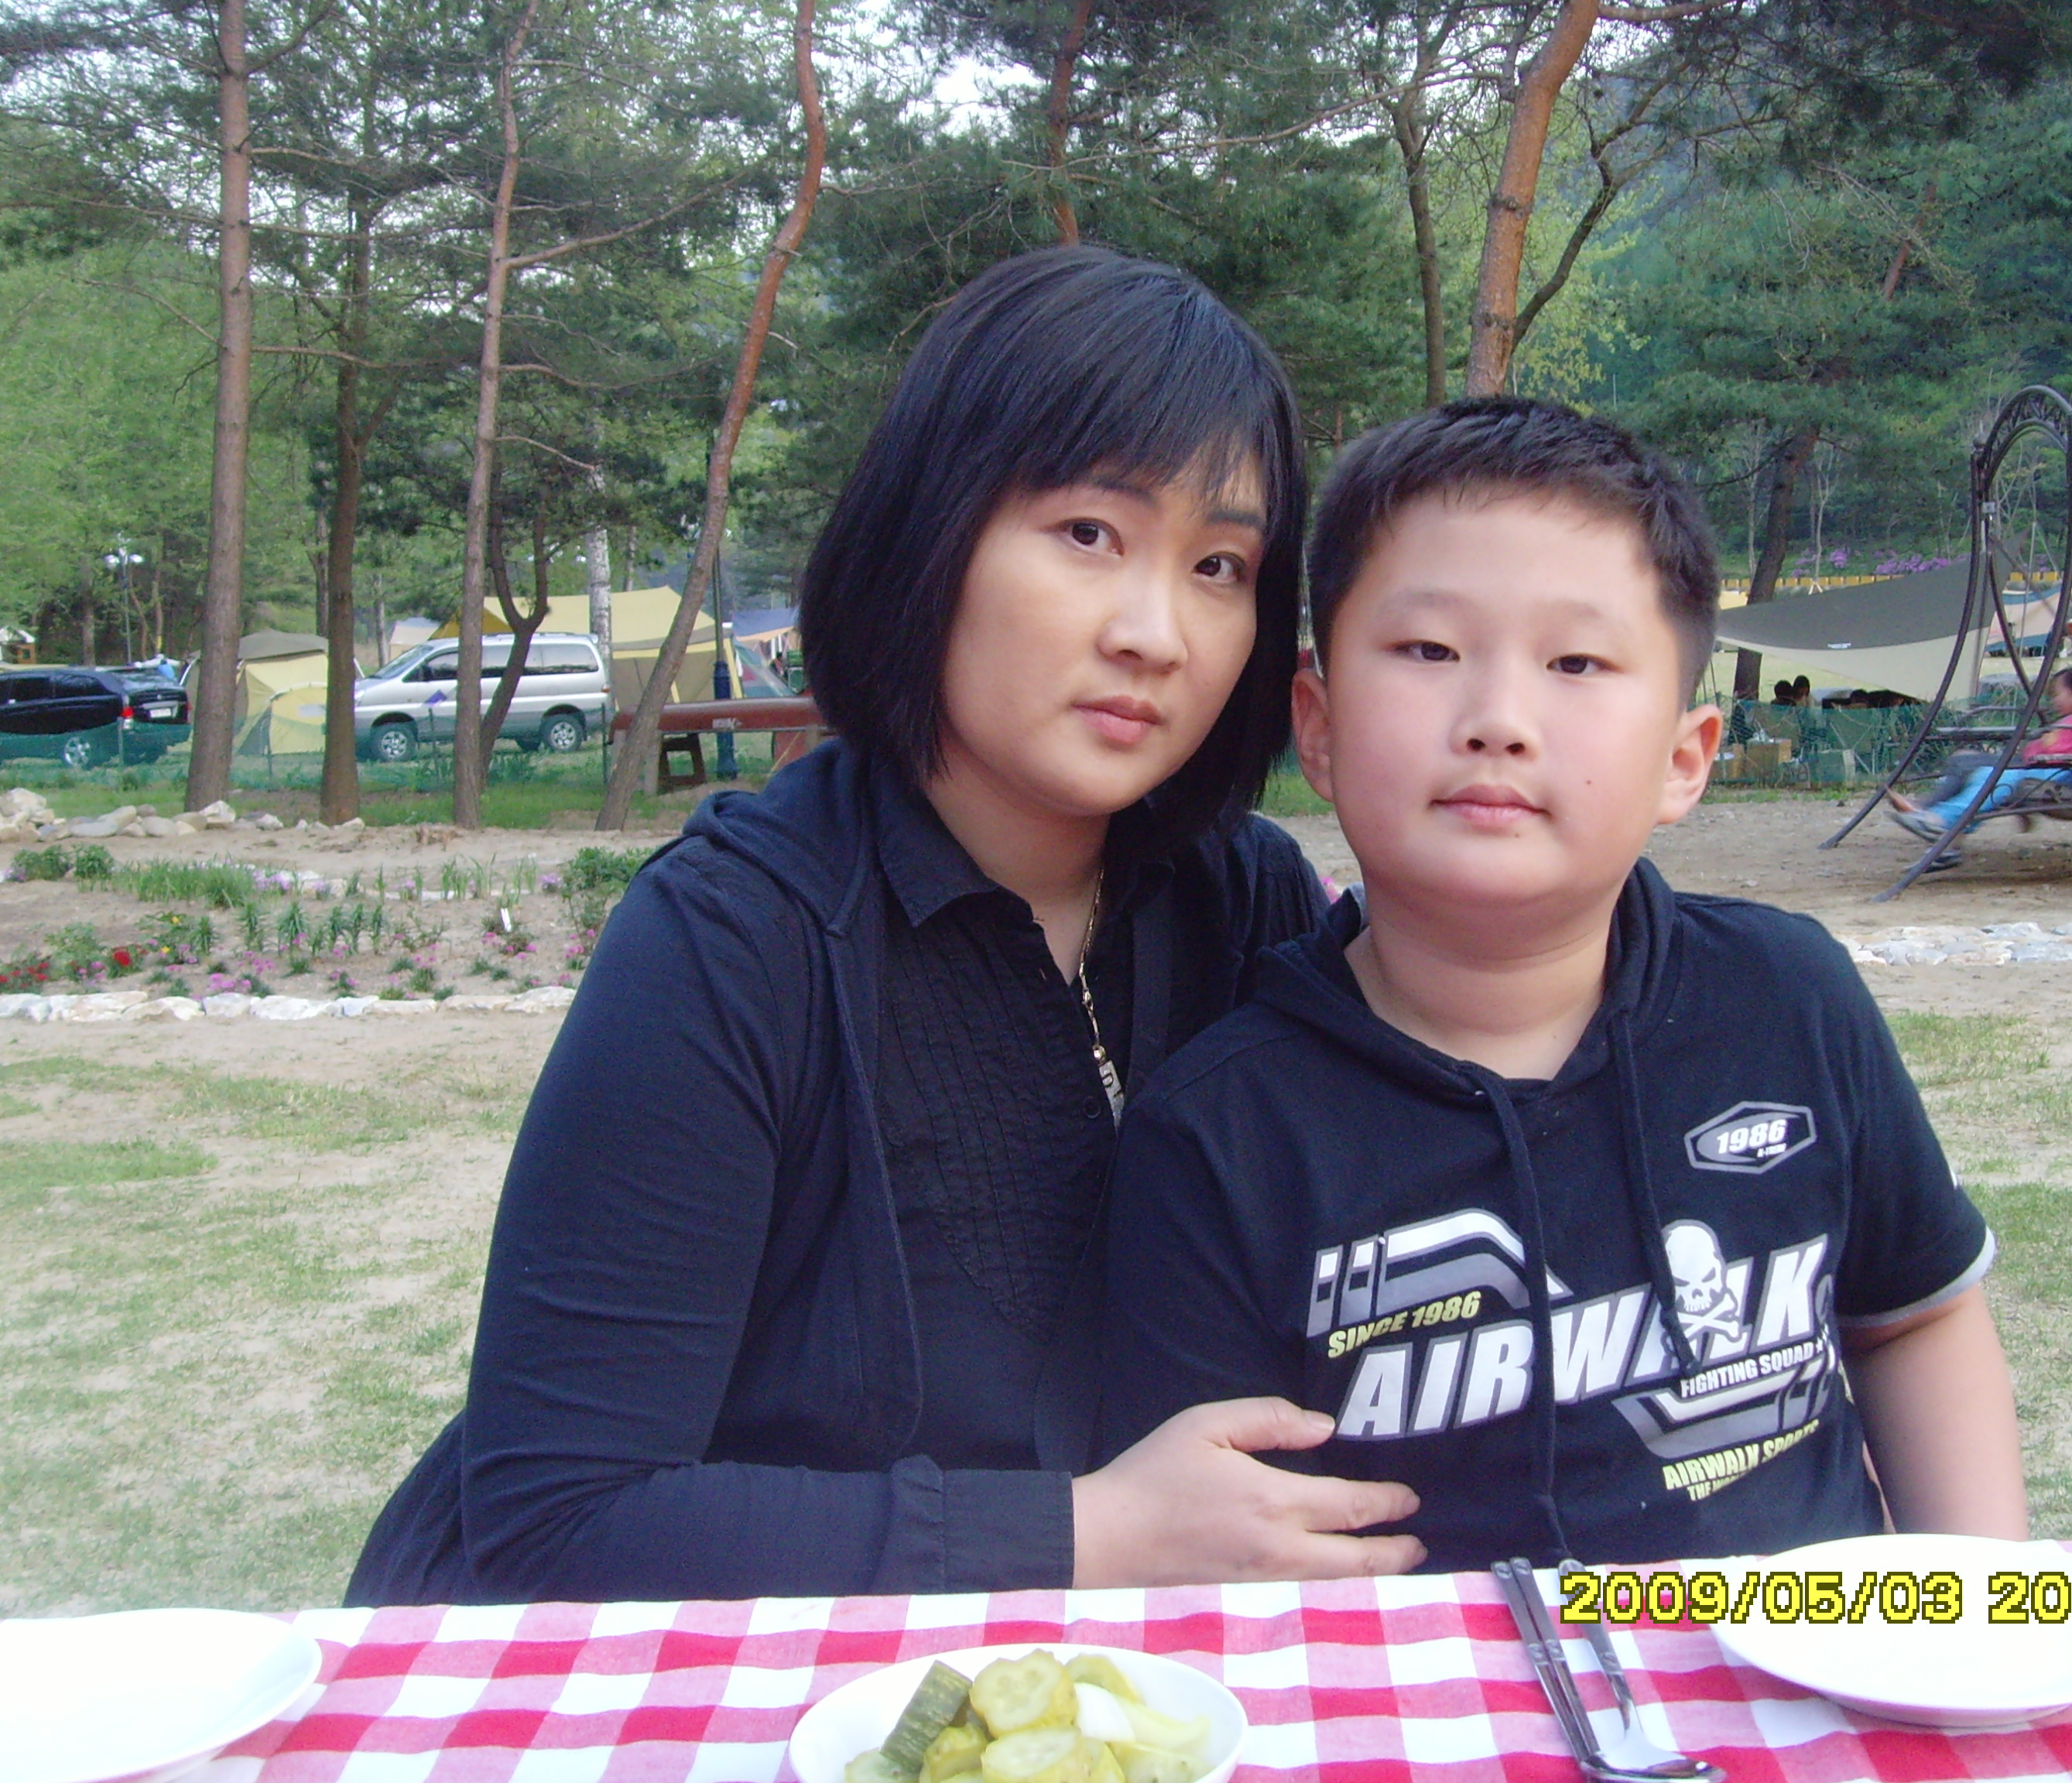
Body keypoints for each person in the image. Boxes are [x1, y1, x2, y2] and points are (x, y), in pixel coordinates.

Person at [345, 247, 1425, 1607]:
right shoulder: (735, 940)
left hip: (1103, 1691)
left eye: (1219, 564)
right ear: (933, 529)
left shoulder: (1242, 898)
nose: (1156, 632)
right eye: (1089, 533)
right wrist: (1086, 1535)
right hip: (686, 1684)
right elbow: (556, 1519)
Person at [1097, 397, 2026, 1570]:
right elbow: (1207, 1540)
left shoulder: (1790, 999)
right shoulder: (1219, 1132)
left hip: (1802, 1654)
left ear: (1684, 759)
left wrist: (1982, 1602)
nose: (1499, 720)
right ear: (1317, 728)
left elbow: (1914, 1321)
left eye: (1577, 662)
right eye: (1429, 652)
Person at [1888, 666, 2072, 843]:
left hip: (2045, 769)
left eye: (2057, 694)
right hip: (2040, 767)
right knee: (1980, 772)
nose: (2054, 700)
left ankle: (1934, 817)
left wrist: (2039, 744)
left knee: (1983, 772)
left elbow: (2054, 750)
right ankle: (1941, 826)